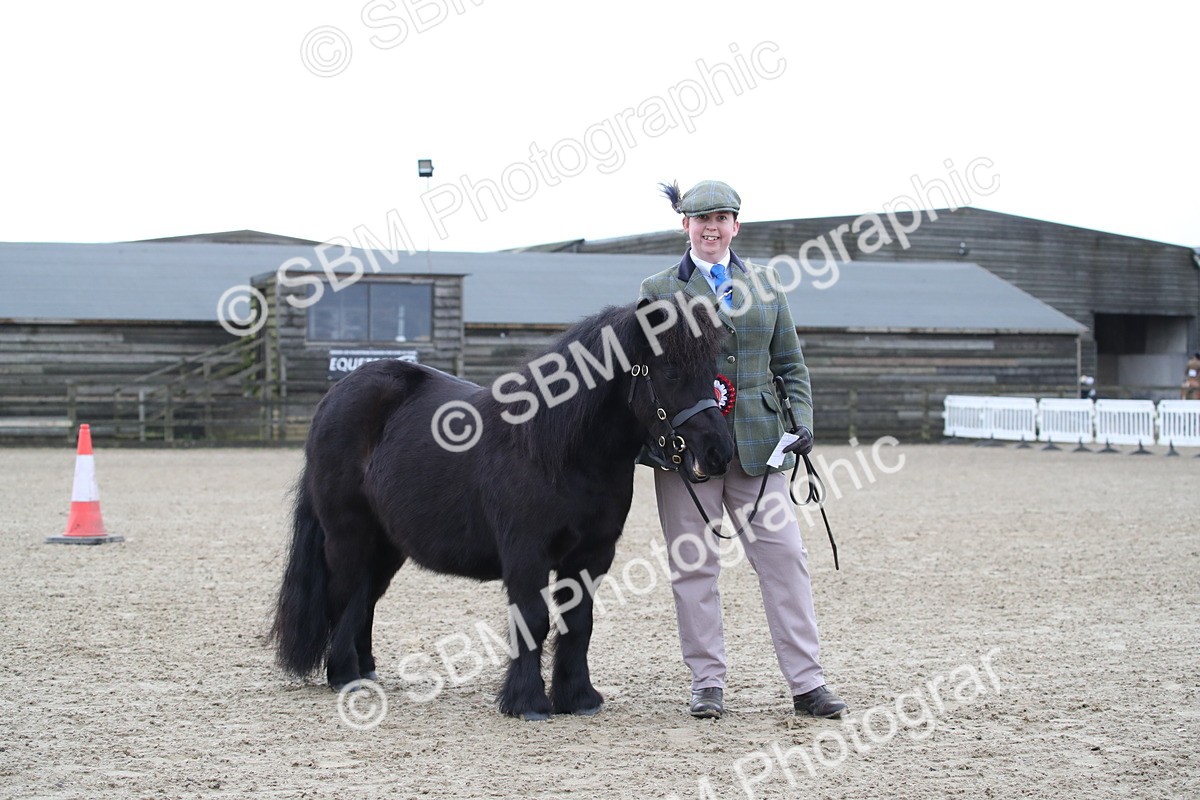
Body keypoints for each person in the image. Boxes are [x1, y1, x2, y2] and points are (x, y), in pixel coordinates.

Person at [638, 179, 847, 720]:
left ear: (736, 225)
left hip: (758, 447)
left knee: (786, 561)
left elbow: (791, 365)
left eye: (722, 218)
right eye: (701, 219)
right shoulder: (658, 288)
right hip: (688, 454)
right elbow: (644, 374)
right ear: (685, 225)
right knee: (694, 568)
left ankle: (807, 683)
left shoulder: (769, 284)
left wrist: (802, 421)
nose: (712, 228)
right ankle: (707, 681)